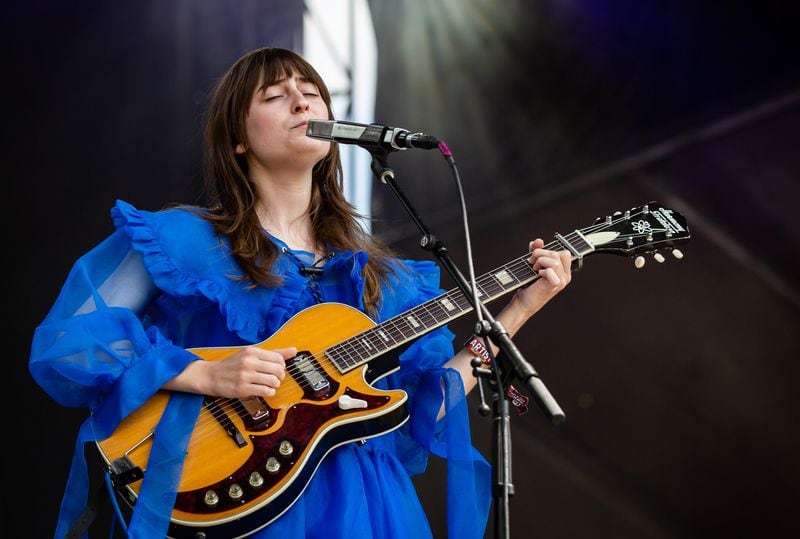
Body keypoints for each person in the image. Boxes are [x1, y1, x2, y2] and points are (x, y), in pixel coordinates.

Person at [29, 47, 572, 539]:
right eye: (275, 94)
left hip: (370, 509)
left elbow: (427, 408)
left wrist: (519, 310)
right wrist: (203, 372)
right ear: (237, 138)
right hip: (227, 489)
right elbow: (69, 342)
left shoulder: (382, 277)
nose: (300, 99)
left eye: (311, 92)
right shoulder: (181, 240)